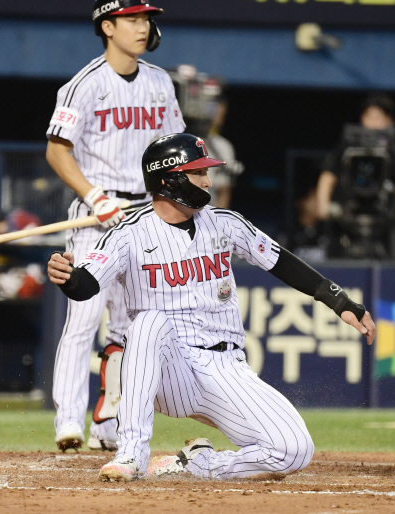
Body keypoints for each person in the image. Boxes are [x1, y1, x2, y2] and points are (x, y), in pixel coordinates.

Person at [46, 133, 376, 481]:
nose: (208, 180)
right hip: (169, 370)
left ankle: (198, 464)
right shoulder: (129, 232)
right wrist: (67, 276)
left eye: (207, 171)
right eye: (197, 172)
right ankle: (131, 453)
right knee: (149, 322)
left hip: (226, 367)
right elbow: (85, 285)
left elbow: (280, 261)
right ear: (168, 179)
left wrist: (338, 300)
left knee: (294, 451)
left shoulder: (224, 222)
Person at [45, 0, 185, 452]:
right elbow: (57, 151)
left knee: (130, 326)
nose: (143, 28)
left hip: (145, 216)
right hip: (97, 214)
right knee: (83, 316)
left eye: (146, 20)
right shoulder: (83, 85)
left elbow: (175, 148)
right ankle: (69, 420)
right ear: (108, 27)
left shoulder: (161, 83)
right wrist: (94, 196)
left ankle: (110, 422)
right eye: (132, 20)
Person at [315, 94, 395, 224]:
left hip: (382, 215)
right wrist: (323, 206)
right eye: (369, 117)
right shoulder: (348, 146)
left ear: (390, 120)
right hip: (348, 213)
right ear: (362, 118)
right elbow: (328, 175)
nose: (373, 123)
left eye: (378, 118)